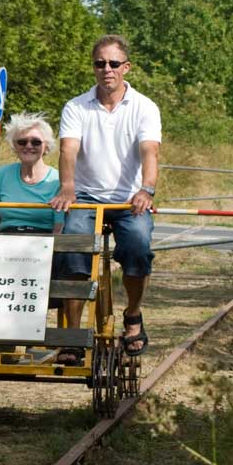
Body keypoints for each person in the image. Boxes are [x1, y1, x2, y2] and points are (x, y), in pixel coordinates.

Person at [50, 34, 161, 364]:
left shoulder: (144, 107)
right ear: (94, 67)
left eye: (113, 63)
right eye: (100, 63)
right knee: (73, 247)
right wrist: (67, 187)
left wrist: (147, 188)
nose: (106, 69)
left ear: (126, 67)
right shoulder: (76, 106)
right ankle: (71, 335)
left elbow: (149, 151)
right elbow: (69, 149)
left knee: (139, 245)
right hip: (85, 195)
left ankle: (133, 316)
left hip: (128, 200)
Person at [0, 112, 61, 234]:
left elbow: (59, 226)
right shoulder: (2, 174)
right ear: (14, 146)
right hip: (6, 237)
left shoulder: (58, 180)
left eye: (36, 142)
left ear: (46, 146)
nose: (28, 146)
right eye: (22, 142)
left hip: (42, 239)